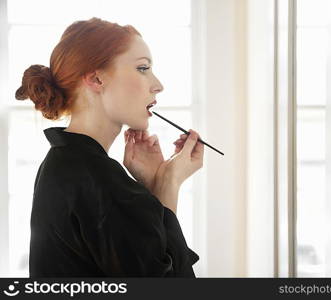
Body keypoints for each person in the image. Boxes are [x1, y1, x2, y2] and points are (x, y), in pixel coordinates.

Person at [14, 17, 204, 277]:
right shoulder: (98, 178)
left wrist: (151, 193)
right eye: (142, 68)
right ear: (96, 79)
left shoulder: (62, 161)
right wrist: (168, 184)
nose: (158, 84)